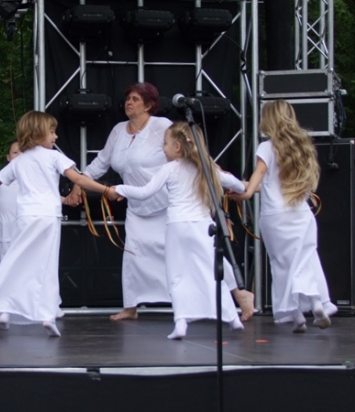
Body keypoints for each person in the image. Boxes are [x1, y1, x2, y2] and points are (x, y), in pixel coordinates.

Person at [66, 82, 254, 321]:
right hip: (138, 207)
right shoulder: (118, 130)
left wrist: (217, 172)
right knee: (134, 256)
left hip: (169, 206)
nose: (129, 103)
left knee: (201, 251)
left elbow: (194, 150)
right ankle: (131, 306)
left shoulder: (161, 126)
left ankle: (239, 294)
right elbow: (100, 162)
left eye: (135, 99)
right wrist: (78, 183)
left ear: (148, 105)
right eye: (128, 98)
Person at [0, 110, 113, 337]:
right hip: (48, 216)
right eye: (52, 132)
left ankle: (6, 307)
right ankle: (45, 314)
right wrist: (106, 190)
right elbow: (79, 179)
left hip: (26, 216)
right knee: (45, 265)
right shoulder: (54, 157)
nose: (56, 137)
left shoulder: (19, 161)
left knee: (16, 259)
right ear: (38, 133)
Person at [109, 122, 245, 339]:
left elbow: (145, 193)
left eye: (165, 143)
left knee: (177, 276)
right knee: (211, 271)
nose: (163, 148)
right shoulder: (207, 168)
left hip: (176, 226)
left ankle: (181, 322)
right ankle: (232, 317)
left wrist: (119, 188)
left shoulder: (169, 169)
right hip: (202, 226)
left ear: (178, 147)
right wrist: (242, 190)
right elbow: (238, 185)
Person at [230, 100, 337, 332]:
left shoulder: (266, 147)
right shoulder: (301, 146)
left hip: (274, 217)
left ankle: (296, 314)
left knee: (281, 264)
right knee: (306, 260)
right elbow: (270, 184)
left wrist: (244, 192)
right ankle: (317, 303)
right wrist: (247, 187)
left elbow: (259, 177)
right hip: (300, 214)